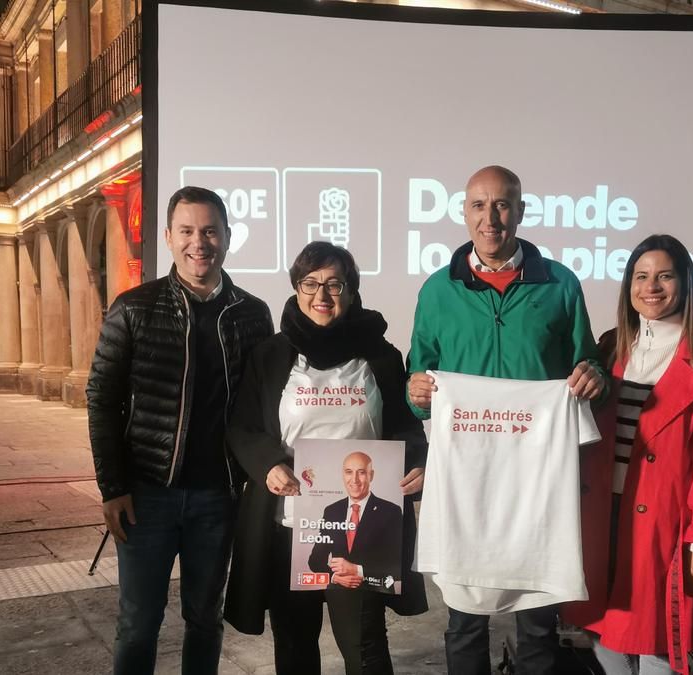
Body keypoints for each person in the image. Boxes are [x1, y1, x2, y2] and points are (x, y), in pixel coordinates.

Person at [406, 165, 604, 675]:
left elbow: (587, 362)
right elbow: (418, 371)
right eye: (479, 205)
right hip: (465, 481)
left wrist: (591, 375)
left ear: (520, 210)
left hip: (537, 480)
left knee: (539, 623)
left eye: (502, 205)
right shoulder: (437, 290)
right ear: (464, 212)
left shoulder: (560, 284)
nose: (490, 218)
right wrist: (418, 392)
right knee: (464, 623)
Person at [86, 186, 274, 675]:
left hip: (218, 497)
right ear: (168, 237)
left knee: (205, 620)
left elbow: (261, 406)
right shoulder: (133, 309)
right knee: (137, 623)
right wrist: (113, 487)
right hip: (147, 496)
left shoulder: (253, 314)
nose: (200, 242)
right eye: (187, 231)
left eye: (210, 231)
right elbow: (102, 400)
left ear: (228, 237)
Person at [224, 241, 428, 675]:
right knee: (295, 647)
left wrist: (416, 462)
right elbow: (243, 427)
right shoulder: (271, 355)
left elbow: (405, 427)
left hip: (362, 531)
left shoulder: (381, 357)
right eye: (310, 283)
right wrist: (267, 466)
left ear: (352, 292)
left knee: (365, 647)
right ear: (296, 289)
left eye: (335, 284)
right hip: (290, 525)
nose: (322, 295)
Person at [565, 233, 693, 675]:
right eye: (641, 276)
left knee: (659, 635)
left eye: (664, 275)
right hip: (601, 513)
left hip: (665, 521)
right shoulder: (610, 347)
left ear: (685, 283)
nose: (652, 286)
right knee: (601, 623)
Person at [308, 451, 404, 589]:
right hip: (339, 593)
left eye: (361, 472)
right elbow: (315, 561)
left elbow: (397, 567)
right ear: (343, 475)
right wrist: (335, 578)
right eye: (348, 472)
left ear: (371, 475)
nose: (354, 480)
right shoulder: (331, 511)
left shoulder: (391, 511)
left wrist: (356, 570)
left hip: (375, 591)